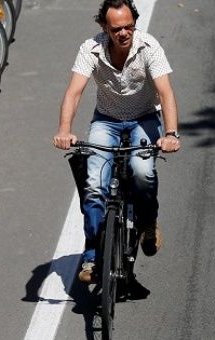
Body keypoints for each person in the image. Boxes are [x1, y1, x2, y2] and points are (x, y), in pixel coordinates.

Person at [52, 0, 181, 284]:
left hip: (144, 118)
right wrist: (65, 129)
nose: (123, 34)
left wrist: (170, 134)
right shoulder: (91, 48)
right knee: (94, 187)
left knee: (142, 171)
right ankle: (92, 256)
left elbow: (166, 92)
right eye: (116, 29)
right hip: (106, 120)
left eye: (128, 27)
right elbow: (74, 92)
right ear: (104, 27)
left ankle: (148, 222)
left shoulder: (149, 47)